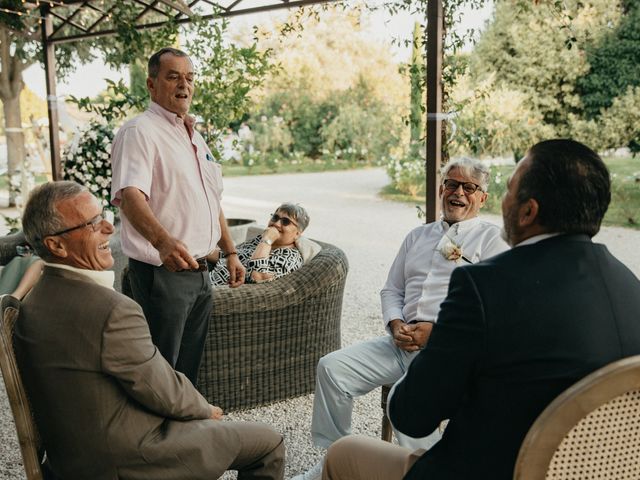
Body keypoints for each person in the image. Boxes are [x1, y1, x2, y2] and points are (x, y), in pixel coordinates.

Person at [321, 139, 640, 480]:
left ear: (528, 211)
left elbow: (411, 414)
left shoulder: (485, 285)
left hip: (487, 470)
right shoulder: (630, 288)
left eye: (508, 190)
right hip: (583, 471)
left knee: (343, 455)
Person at [14, 181, 285, 480]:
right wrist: (206, 409)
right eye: (92, 224)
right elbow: (163, 392)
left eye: (103, 215)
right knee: (268, 443)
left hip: (74, 455)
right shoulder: (110, 310)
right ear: (56, 245)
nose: (109, 228)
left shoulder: (35, 298)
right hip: (127, 457)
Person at [293, 157, 509, 480]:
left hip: (446, 352)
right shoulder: (417, 237)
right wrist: (395, 323)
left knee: (405, 402)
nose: (458, 192)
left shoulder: (492, 241)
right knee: (332, 369)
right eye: (451, 183)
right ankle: (336, 460)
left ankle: (432, 472)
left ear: (482, 197)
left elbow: (494, 310)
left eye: (469, 187)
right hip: (399, 342)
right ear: (441, 189)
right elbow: (391, 290)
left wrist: (435, 335)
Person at [110, 47, 245, 385]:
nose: (184, 85)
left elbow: (212, 199)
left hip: (202, 273)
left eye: (189, 77)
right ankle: (153, 435)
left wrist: (230, 252)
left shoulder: (194, 136)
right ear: (152, 84)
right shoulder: (140, 131)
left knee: (187, 371)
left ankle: (182, 433)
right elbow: (130, 196)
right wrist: (163, 242)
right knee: (158, 371)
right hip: (162, 273)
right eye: (173, 77)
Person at [208, 203, 310, 286]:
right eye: (275, 218)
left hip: (222, 292)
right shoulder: (259, 241)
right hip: (208, 276)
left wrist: (267, 241)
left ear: (297, 234)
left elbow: (257, 277)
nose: (276, 224)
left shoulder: (290, 257)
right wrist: (199, 251)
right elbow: (226, 255)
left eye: (285, 221)